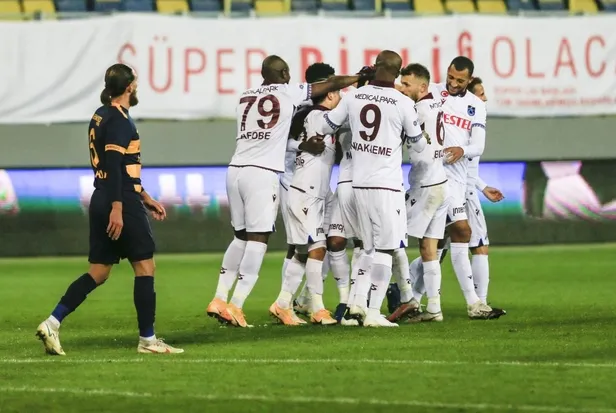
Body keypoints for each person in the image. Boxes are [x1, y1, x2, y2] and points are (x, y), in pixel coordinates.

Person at [206, 55, 373, 328]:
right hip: (273, 175)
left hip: (236, 168)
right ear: (284, 73)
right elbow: (326, 90)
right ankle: (237, 305)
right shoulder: (291, 95)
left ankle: (224, 298)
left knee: (244, 238)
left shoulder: (245, 96)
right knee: (263, 240)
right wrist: (360, 77)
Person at [35, 64, 183, 355]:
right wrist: (119, 206)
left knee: (99, 272)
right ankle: (148, 340)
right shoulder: (119, 120)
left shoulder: (100, 115)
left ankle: (52, 322)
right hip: (119, 200)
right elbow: (114, 166)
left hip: (104, 196)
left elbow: (118, 167)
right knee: (145, 267)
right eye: (135, 82)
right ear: (129, 87)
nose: (136, 86)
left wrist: (144, 195)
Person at [312, 50, 426, 327]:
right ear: (398, 72)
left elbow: (325, 125)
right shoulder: (402, 102)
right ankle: (374, 312)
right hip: (386, 185)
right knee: (386, 249)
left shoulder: (353, 97)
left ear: (375, 67)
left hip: (358, 183)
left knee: (367, 248)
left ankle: (356, 305)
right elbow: (419, 144)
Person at [271, 64, 342, 326]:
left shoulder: (317, 113)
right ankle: (316, 307)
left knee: (305, 250)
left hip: (317, 189)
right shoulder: (306, 113)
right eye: (333, 85)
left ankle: (284, 303)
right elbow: (279, 142)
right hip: (299, 187)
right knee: (313, 247)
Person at [388, 63, 449, 323]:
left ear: (422, 87)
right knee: (428, 249)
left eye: (407, 84)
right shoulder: (434, 103)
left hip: (425, 186)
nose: (402, 89)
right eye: (401, 83)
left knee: (390, 236)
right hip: (440, 182)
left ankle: (404, 296)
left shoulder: (417, 110)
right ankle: (434, 308)